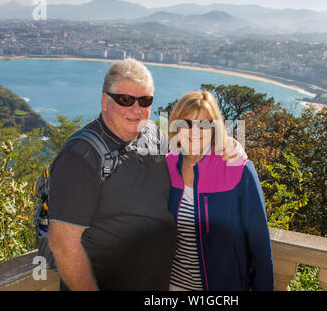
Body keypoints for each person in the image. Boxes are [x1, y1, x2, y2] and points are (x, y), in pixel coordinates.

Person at [47, 58, 246, 291]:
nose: (136, 109)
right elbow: (62, 244)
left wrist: (225, 144)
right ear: (104, 101)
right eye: (125, 99)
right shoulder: (81, 156)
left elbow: (189, 157)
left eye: (145, 100)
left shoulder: (151, 134)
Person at [165, 91, 274, 291]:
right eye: (187, 123)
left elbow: (260, 247)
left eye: (204, 125)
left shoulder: (237, 168)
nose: (194, 131)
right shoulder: (166, 165)